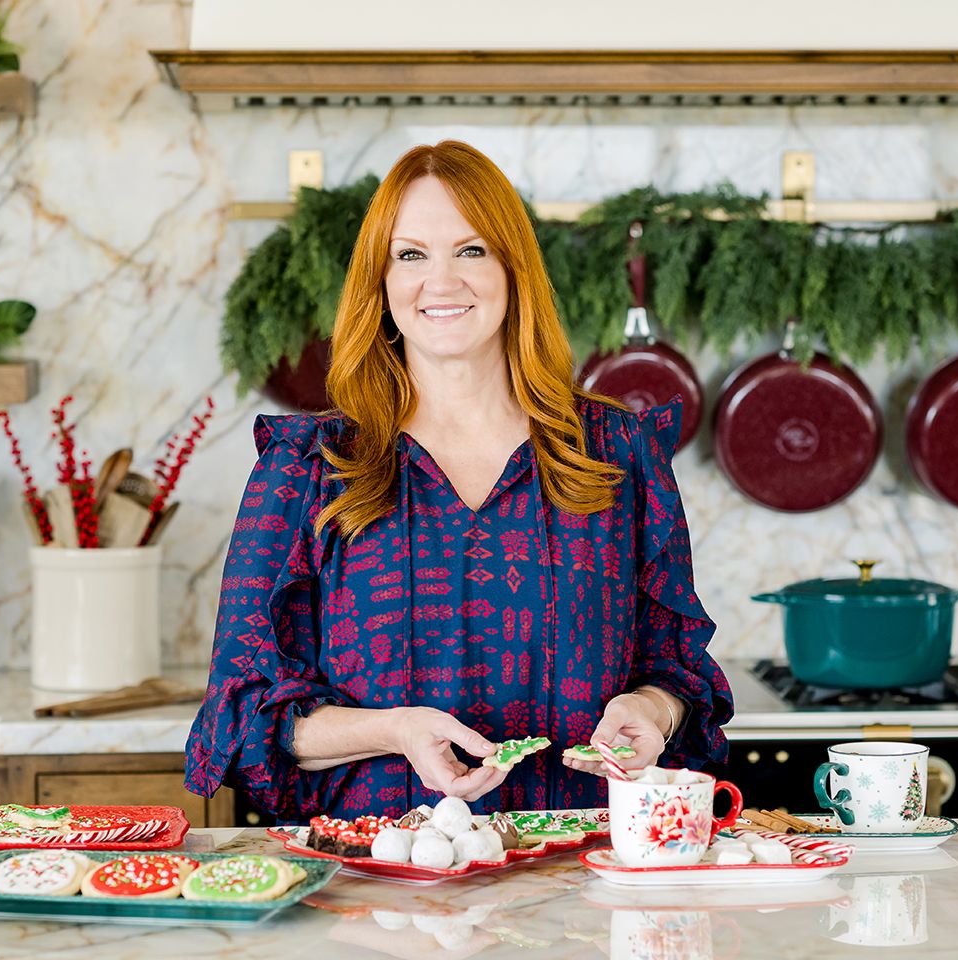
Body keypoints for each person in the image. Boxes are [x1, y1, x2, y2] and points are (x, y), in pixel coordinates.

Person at [185, 139, 733, 820]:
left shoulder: (617, 453)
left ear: (513, 270)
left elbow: (676, 669)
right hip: (379, 894)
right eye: (411, 255)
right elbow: (236, 717)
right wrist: (392, 729)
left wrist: (648, 711)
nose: (440, 282)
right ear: (380, 282)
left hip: (583, 890)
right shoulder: (309, 469)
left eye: (471, 250)